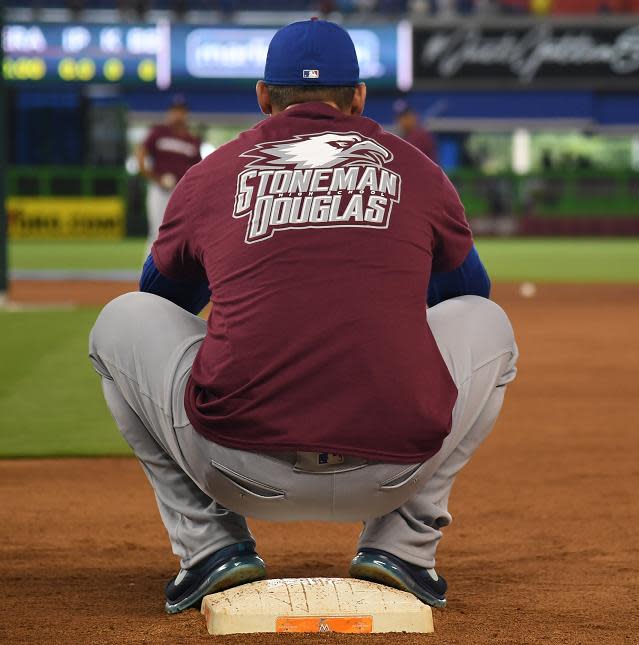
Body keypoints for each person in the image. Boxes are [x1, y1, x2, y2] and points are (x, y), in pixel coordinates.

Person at [88, 19, 517, 614]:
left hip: (236, 465)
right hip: (393, 467)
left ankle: (210, 546)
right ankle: (404, 546)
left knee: (122, 320)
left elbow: (163, 301)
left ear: (264, 95)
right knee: (487, 323)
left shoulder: (212, 174)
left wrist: (257, 259)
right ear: (360, 96)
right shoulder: (417, 171)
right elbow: (467, 292)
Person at [136, 96, 203, 254]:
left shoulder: (193, 140)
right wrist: (155, 178)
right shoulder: (159, 133)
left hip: (182, 193)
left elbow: (198, 169)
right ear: (169, 113)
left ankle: (175, 276)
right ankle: (149, 276)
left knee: (184, 235)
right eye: (174, 111)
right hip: (159, 190)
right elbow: (140, 155)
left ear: (186, 114)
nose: (177, 115)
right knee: (157, 232)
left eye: (181, 111)